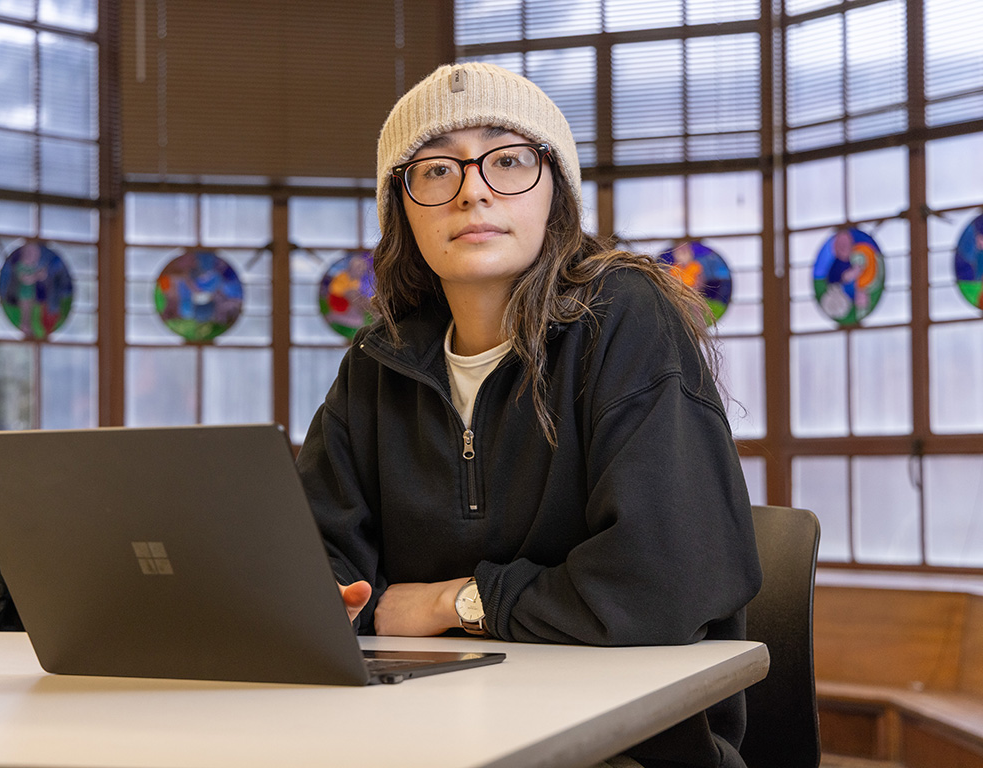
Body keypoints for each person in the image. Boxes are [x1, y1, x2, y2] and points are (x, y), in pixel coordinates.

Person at [296, 62, 762, 768]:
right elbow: (317, 552)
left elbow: (664, 579)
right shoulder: (375, 363)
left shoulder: (627, 320)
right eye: (435, 170)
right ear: (402, 208)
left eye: (508, 159)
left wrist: (455, 603)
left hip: (631, 742)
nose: (473, 189)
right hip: (422, 731)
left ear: (556, 192)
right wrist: (325, 598)